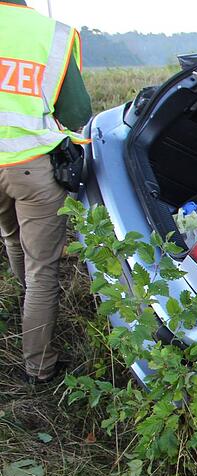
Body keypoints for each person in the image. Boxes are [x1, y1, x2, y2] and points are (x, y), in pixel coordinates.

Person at [0, 0, 91, 384]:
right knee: (43, 272)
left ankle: (26, 308)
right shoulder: (50, 35)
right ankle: (40, 368)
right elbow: (77, 111)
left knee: (10, 236)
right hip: (30, 166)